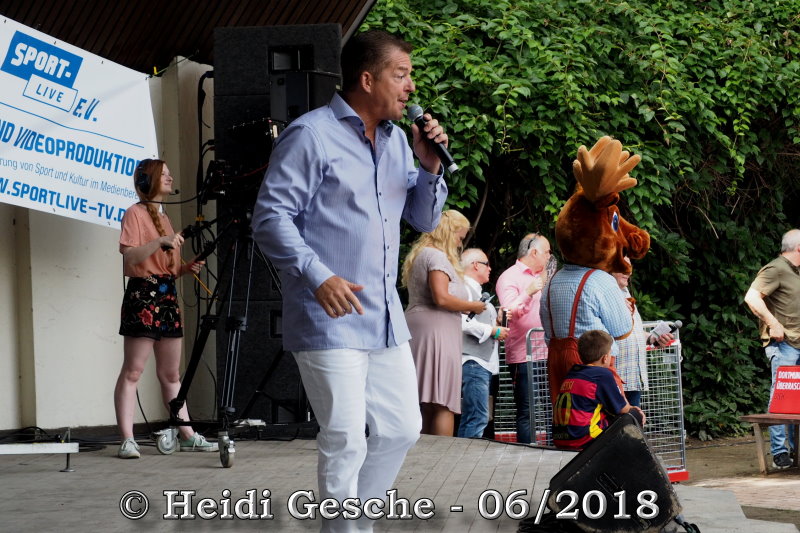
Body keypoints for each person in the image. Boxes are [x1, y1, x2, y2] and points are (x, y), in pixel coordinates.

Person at [251, 30, 451, 532]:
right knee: (345, 438)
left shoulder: (399, 142)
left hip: (384, 319)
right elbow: (270, 217)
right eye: (400, 75)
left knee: (402, 428)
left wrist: (430, 166)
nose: (410, 87)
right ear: (367, 79)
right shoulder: (311, 135)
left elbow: (423, 219)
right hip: (328, 316)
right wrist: (317, 275)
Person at [114, 158, 217, 459]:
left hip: (167, 296)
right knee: (133, 370)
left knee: (171, 374)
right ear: (148, 181)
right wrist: (160, 241)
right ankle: (127, 439)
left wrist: (185, 268)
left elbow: (166, 268)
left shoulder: (165, 217)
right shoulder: (134, 213)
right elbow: (130, 258)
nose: (170, 179)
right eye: (165, 175)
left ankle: (187, 434)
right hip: (143, 296)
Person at [402, 211, 487, 436]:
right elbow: (441, 297)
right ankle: (443, 454)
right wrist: (473, 306)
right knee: (443, 402)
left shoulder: (421, 254)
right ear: (449, 233)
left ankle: (421, 453)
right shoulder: (437, 257)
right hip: (437, 331)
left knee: (426, 402)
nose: (460, 244)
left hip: (421, 328)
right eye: (459, 237)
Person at [744, 228, 800, 470]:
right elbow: (752, 297)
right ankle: (780, 452)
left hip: (797, 343)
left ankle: (797, 451)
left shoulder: (795, 271)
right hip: (785, 344)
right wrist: (773, 323)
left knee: (797, 402)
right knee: (782, 399)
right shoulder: (776, 268)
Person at [495, 232, 551, 443]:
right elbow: (509, 313)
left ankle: (556, 451)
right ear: (534, 252)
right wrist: (528, 292)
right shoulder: (509, 277)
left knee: (552, 406)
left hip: (549, 351)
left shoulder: (546, 276)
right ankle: (527, 454)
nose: (549, 257)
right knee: (527, 410)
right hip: (524, 355)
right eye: (547, 252)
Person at [552, 330, 645, 450]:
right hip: (583, 439)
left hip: (560, 439)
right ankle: (630, 454)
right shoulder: (602, 375)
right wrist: (636, 410)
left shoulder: (573, 372)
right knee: (634, 415)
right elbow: (623, 409)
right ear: (605, 358)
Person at [456, 248, 509, 438]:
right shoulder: (464, 289)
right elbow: (461, 322)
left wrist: (497, 322)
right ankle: (467, 455)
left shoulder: (474, 291)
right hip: (473, 362)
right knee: (477, 417)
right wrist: (493, 330)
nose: (490, 268)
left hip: (480, 363)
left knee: (474, 417)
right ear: (475, 265)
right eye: (487, 264)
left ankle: (463, 453)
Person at [611, 257, 674, 407]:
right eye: (623, 266)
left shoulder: (625, 292)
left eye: (630, 266)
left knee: (634, 420)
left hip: (632, 377)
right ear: (609, 267)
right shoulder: (606, 295)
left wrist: (653, 338)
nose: (629, 271)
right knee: (621, 421)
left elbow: (634, 332)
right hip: (615, 378)